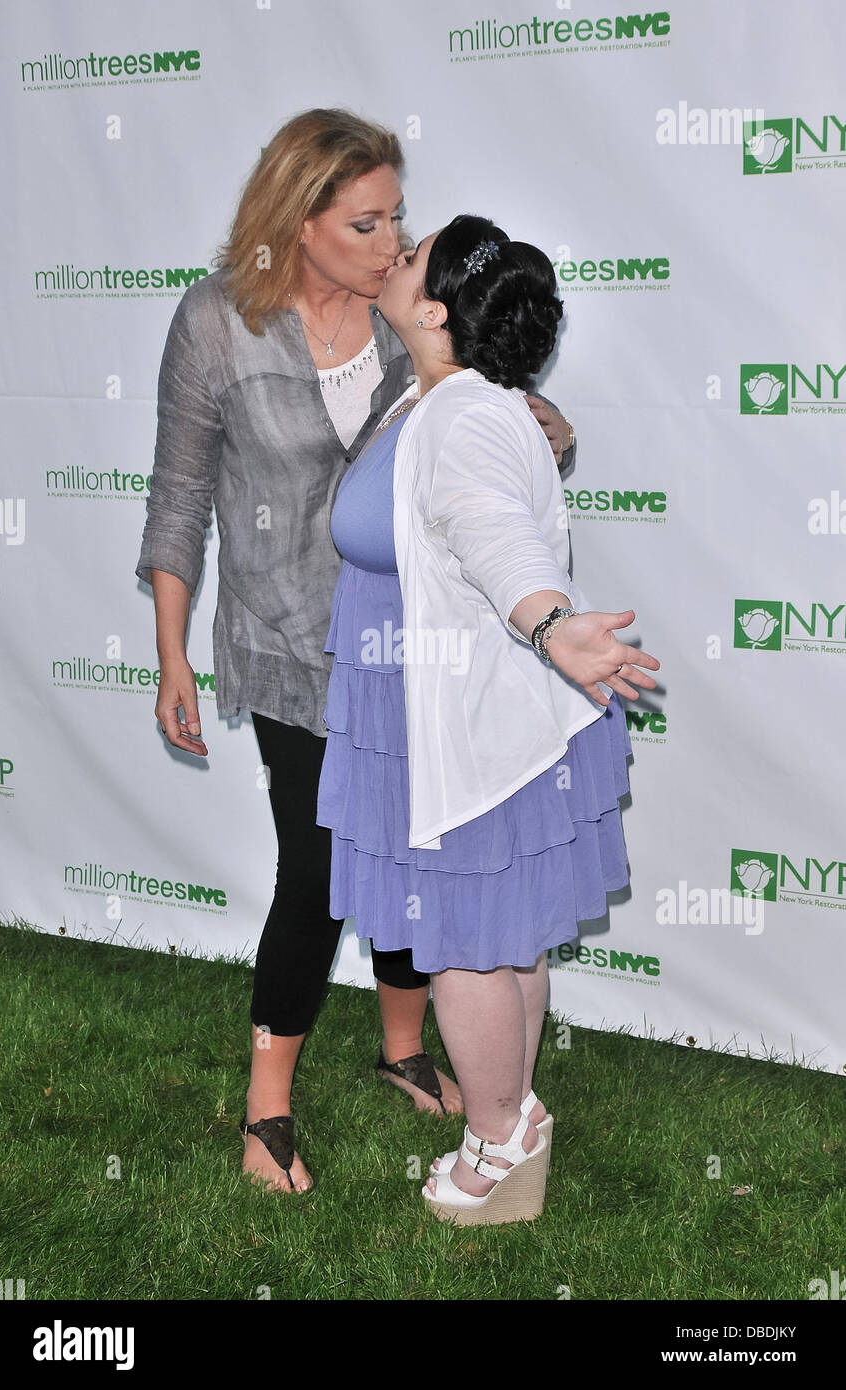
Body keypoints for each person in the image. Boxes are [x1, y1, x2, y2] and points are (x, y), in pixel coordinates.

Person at [135, 111, 574, 1196]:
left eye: (397, 222)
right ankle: (267, 1100)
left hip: (413, 644)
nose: (390, 245)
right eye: (364, 222)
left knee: (417, 854)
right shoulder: (214, 325)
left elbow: (480, 412)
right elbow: (180, 496)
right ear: (297, 219)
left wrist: (534, 424)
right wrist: (171, 656)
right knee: (322, 865)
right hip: (287, 646)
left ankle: (402, 1043)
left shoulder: (402, 318)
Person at [316, 215, 660, 1225]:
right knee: (502, 933)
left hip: (460, 713)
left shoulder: (461, 417)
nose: (397, 246)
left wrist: (549, 625)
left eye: (412, 251)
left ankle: (496, 1143)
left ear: (432, 311)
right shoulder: (456, 396)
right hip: (458, 705)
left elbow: (489, 533)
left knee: (465, 941)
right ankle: (513, 1119)